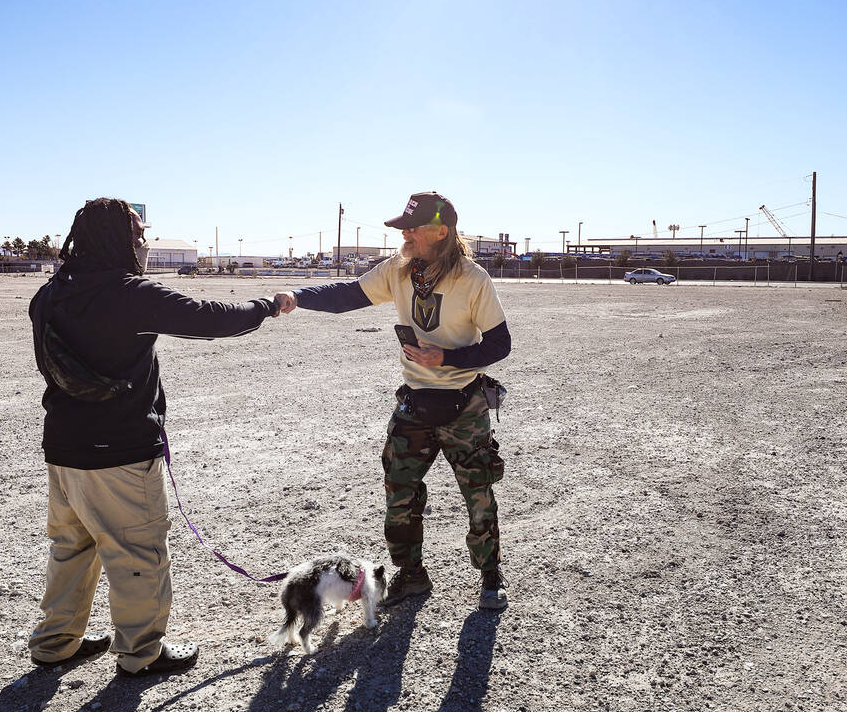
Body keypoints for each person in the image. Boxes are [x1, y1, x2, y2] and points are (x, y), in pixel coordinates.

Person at [27, 197, 282, 676]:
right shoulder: (129, 293)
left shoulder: (50, 293)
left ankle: (55, 642)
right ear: (117, 241)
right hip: (118, 451)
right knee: (137, 551)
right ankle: (140, 652)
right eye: (138, 235)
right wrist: (266, 305)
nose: (144, 245)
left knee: (72, 547)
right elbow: (211, 318)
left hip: (63, 447)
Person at [275, 191, 512, 610]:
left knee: (478, 493)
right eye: (402, 227)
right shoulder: (399, 271)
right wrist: (300, 296)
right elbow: (349, 294)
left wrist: (447, 357)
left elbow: (500, 343)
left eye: (412, 228)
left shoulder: (473, 279)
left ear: (441, 231)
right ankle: (412, 574)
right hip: (415, 404)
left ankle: (491, 575)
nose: (404, 235)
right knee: (399, 492)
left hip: (464, 406)